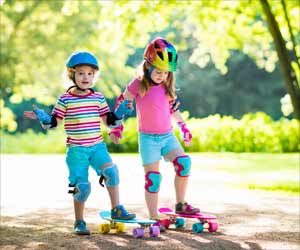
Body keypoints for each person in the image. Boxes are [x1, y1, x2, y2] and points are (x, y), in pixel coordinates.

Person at [24, 51, 135, 235]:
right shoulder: (65, 99)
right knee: (81, 187)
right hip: (76, 151)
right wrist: (44, 117)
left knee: (111, 172)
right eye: (81, 73)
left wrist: (120, 112)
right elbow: (54, 123)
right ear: (72, 75)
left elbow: (109, 121)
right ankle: (79, 221)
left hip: (97, 147)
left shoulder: (98, 98)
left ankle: (117, 209)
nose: (86, 77)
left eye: (90, 74)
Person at [114, 37, 200, 230]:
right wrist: (117, 126)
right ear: (148, 65)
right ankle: (154, 217)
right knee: (153, 179)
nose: (162, 75)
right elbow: (122, 102)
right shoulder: (137, 84)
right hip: (148, 139)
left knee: (184, 163)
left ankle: (181, 204)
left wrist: (183, 127)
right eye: (158, 71)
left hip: (167, 136)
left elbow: (173, 109)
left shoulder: (166, 85)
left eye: (165, 72)